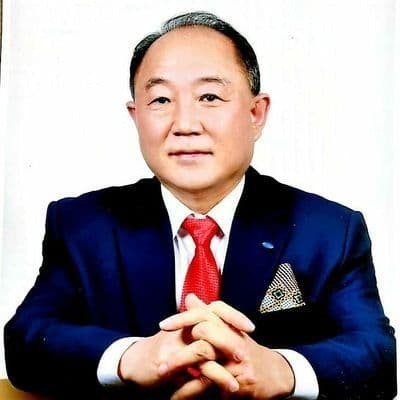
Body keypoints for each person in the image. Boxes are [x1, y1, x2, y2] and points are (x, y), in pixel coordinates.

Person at [4, 11, 396, 400]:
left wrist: (280, 369)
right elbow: (26, 341)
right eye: (161, 99)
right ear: (136, 116)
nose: (185, 124)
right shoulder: (83, 225)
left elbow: (378, 356)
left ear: (256, 114)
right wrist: (131, 357)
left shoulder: (328, 231)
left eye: (209, 97)